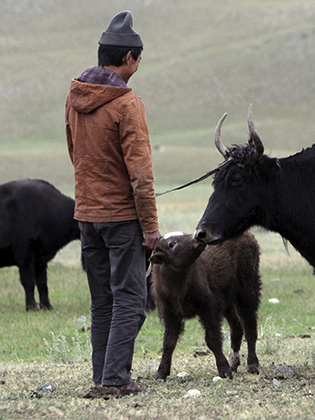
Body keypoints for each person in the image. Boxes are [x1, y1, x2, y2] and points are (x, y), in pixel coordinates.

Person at [65, 10, 161, 398]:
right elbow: (141, 174)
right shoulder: (127, 103)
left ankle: (102, 376)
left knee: (103, 300)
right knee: (132, 301)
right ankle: (116, 379)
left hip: (87, 215)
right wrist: (151, 227)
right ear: (128, 58)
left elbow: (75, 153)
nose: (138, 65)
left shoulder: (75, 97)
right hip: (122, 219)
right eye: (138, 58)